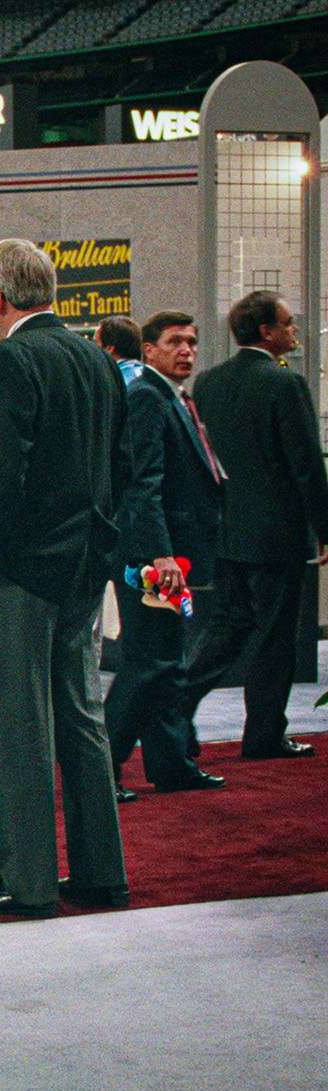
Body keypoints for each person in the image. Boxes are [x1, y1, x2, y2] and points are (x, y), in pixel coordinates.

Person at [0, 238, 130, 919]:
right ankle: (102, 873)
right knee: (81, 719)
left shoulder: (8, 361)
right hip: (81, 571)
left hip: (16, 576)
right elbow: (120, 466)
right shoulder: (96, 359)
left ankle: (28, 881)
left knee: (16, 727)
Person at [180, 290, 328, 760]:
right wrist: (325, 528)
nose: (294, 330)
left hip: (229, 530)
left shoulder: (208, 382)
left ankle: (172, 705)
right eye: (288, 322)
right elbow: (306, 464)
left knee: (226, 627)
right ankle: (263, 735)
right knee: (274, 636)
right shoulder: (287, 384)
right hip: (277, 533)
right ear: (266, 331)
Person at [104, 310, 226, 799]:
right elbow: (141, 486)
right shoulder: (147, 399)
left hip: (168, 556)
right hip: (151, 559)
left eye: (193, 342)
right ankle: (101, 769)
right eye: (175, 341)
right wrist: (160, 556)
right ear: (148, 349)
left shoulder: (172, 398)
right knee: (150, 660)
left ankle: (171, 763)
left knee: (167, 658)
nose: (187, 351)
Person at [96, 314, 145, 384]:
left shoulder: (113, 381)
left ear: (109, 349)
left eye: (95, 343)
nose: (92, 348)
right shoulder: (148, 376)